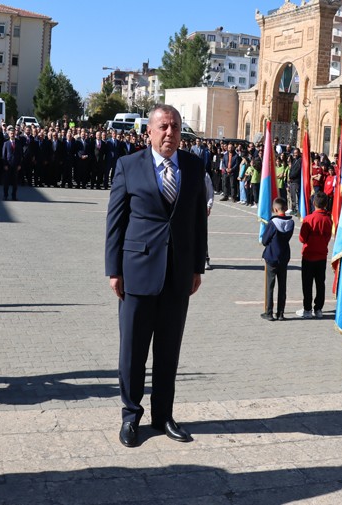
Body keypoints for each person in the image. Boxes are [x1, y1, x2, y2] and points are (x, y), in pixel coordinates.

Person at [105, 104, 207, 449]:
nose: (170, 133)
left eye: (175, 127)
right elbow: (115, 223)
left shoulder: (193, 167)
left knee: (168, 351)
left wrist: (197, 267)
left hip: (177, 275)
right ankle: (131, 416)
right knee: (133, 350)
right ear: (148, 131)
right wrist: (113, 269)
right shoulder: (128, 166)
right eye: (163, 126)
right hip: (137, 272)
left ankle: (163, 415)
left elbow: (198, 222)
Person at [296, 192, 333, 319]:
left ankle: (307, 309)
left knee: (307, 283)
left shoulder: (309, 219)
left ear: (313, 203)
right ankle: (318, 309)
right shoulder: (328, 220)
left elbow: (302, 238)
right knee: (320, 283)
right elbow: (328, 237)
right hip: (322, 255)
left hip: (308, 255)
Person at [261, 198, 294, 321]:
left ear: (275, 209)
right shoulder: (291, 223)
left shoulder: (273, 223)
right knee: (282, 286)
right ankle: (280, 313)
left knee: (270, 285)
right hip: (284, 256)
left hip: (272, 256)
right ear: (285, 208)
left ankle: (269, 312)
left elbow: (265, 240)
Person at [1, 126, 20, 201]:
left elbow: (20, 154)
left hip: (15, 165)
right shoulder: (6, 143)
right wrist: (5, 165)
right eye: (11, 133)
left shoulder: (18, 143)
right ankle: (5, 195)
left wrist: (19, 165)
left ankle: (14, 196)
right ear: (9, 134)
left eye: (13, 133)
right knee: (6, 182)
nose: (12, 134)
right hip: (8, 166)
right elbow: (4, 155)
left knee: (15, 183)